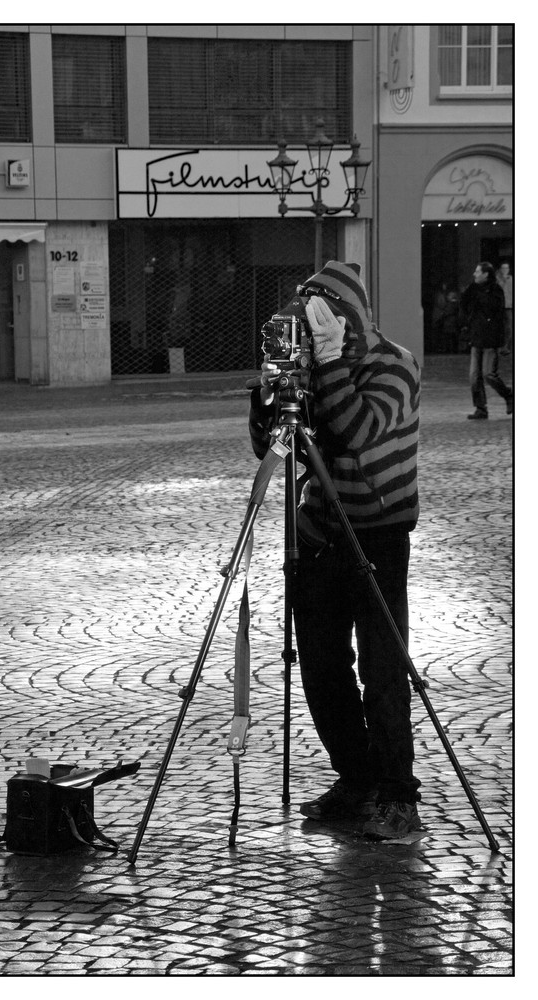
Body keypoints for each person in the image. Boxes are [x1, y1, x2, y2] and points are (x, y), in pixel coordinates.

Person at [249, 261, 422, 840]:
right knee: (321, 666)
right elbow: (276, 449)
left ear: (350, 319)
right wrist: (271, 392)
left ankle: (399, 794)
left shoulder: (395, 364)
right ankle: (357, 778)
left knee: (383, 668)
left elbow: (355, 431)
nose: (313, 326)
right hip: (320, 530)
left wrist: (330, 363)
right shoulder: (314, 365)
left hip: (377, 532)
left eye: (324, 317)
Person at [460, 262, 513, 419]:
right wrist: (466, 322)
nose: (474, 274)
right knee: (474, 376)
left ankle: (509, 395)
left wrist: (503, 341)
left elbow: (496, 311)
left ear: (486, 275)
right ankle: (481, 408)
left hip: (491, 338)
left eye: (478, 272)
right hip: (476, 337)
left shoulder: (496, 290)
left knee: (489, 374)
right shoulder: (473, 288)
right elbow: (464, 304)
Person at [496, 261, 513, 354]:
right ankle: (500, 347)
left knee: (509, 328)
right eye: (503, 268)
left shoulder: (511, 280)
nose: (505, 270)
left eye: (506, 268)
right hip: (499, 307)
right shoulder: (497, 280)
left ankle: (507, 347)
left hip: (509, 306)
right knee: (499, 327)